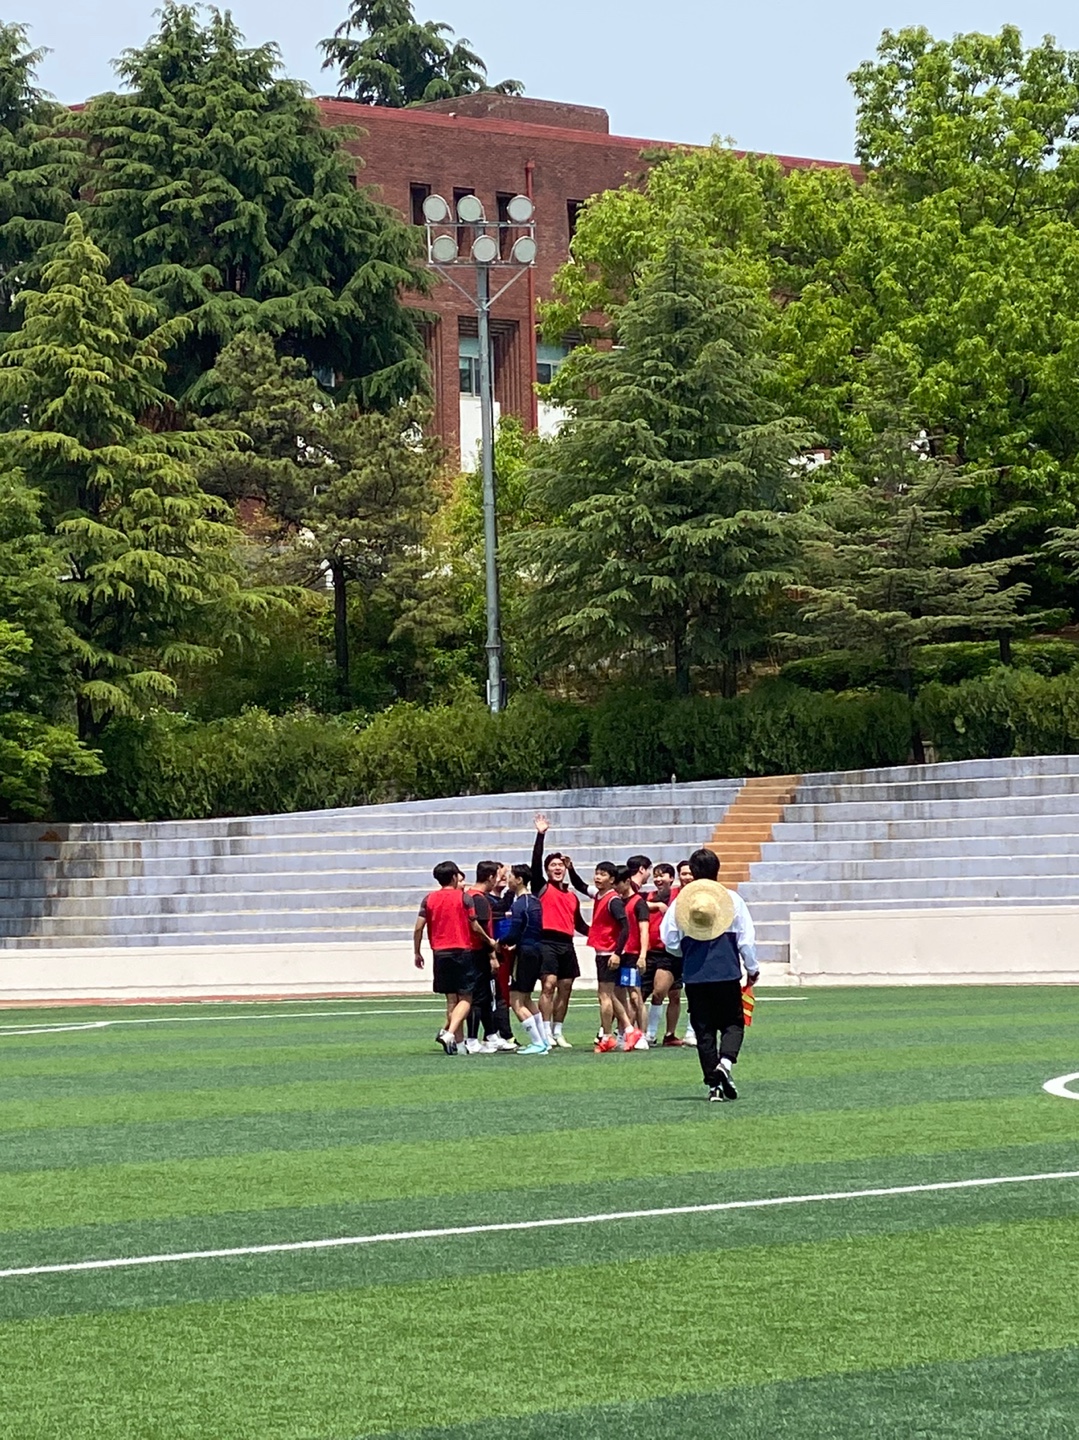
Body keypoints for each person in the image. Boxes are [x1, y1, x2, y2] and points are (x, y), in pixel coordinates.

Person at [659, 847, 759, 1100]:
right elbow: (746, 940)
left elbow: (669, 939)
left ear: (692, 872)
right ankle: (725, 1064)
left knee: (703, 1029)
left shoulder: (682, 902)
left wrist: (686, 951)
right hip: (726, 970)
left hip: (695, 973)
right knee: (733, 1023)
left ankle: (714, 1085)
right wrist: (752, 968)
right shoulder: (732, 899)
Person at [414, 861, 486, 1055]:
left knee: (451, 1000)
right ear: (454, 877)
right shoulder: (464, 898)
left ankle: (459, 1046)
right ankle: (449, 1033)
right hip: (462, 951)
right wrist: (489, 940)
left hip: (440, 953)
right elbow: (474, 926)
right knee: (467, 998)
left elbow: (419, 928)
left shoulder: (429, 899)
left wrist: (417, 951)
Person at [530, 815, 589, 1048]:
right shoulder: (542, 887)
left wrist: (603, 934)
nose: (557, 868)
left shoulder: (572, 896)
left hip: (567, 943)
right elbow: (535, 863)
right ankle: (545, 1030)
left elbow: (580, 925)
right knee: (548, 984)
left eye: (560, 865)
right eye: (553, 865)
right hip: (546, 941)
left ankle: (558, 1030)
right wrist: (541, 835)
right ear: (547, 870)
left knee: (566, 987)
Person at [585, 861, 644, 1053]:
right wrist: (570, 870)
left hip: (609, 953)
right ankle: (629, 1029)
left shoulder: (613, 900)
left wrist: (617, 953)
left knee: (605, 996)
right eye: (597, 873)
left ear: (612, 879)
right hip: (604, 952)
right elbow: (580, 886)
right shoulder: (600, 896)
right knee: (609, 994)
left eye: (602, 874)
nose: (597, 877)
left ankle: (608, 1036)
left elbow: (625, 927)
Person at [464, 861, 516, 1054]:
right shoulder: (479, 899)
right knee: (479, 997)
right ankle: (471, 1039)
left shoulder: (472, 896)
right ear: (491, 877)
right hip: (477, 953)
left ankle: (491, 1035)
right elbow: (481, 930)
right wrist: (492, 955)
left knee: (488, 996)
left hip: (475, 952)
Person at [502, 864, 549, 1054]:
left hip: (525, 954)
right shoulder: (536, 901)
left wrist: (499, 942)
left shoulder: (519, 904)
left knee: (516, 1000)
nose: (508, 880)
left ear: (519, 879)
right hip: (537, 950)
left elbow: (514, 933)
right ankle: (544, 1040)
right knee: (527, 998)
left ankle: (537, 1042)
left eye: (510, 876)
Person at [643, 863, 684, 1046]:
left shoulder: (678, 896)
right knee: (656, 992)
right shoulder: (649, 897)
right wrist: (656, 905)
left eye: (662, 876)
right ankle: (650, 1033)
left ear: (671, 878)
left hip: (671, 951)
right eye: (656, 876)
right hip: (652, 951)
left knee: (673, 994)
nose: (658, 879)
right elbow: (636, 903)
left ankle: (669, 1034)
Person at [615, 864, 651, 1048]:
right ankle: (623, 1033)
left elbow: (644, 930)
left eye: (618, 884)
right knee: (619, 996)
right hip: (618, 953)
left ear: (627, 881)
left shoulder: (638, 903)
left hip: (632, 954)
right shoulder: (616, 901)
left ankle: (643, 1035)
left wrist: (642, 955)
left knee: (636, 996)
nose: (615, 887)